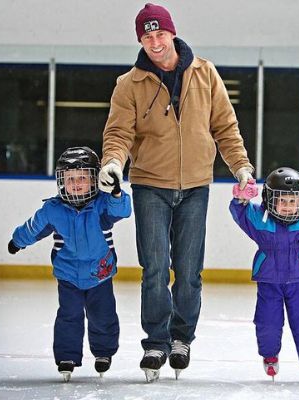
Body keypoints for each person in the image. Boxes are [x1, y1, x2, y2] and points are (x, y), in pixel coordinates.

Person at [100, 3, 254, 382]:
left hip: (197, 185)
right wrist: (113, 163)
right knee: (154, 268)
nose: (154, 42)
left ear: (172, 33)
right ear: (141, 39)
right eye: (147, 36)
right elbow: (119, 134)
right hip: (150, 184)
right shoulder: (129, 84)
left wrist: (241, 167)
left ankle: (182, 338)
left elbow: (225, 126)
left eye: (160, 34)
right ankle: (156, 341)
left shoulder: (206, 73)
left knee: (188, 271)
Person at [7, 146, 132, 382]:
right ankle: (67, 356)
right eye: (70, 178)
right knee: (68, 315)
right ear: (61, 181)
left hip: (100, 274)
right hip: (68, 276)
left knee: (103, 316)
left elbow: (123, 211)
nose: (76, 183)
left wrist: (116, 192)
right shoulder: (53, 210)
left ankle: (103, 352)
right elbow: (33, 227)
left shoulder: (102, 205)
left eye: (82, 178)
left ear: (95, 179)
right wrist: (17, 241)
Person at [229, 167, 299, 383]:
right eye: (282, 201)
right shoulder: (260, 220)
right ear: (270, 199)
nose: (287, 207)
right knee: (268, 321)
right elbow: (241, 214)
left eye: (292, 201)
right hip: (269, 280)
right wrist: (241, 198)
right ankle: (269, 356)